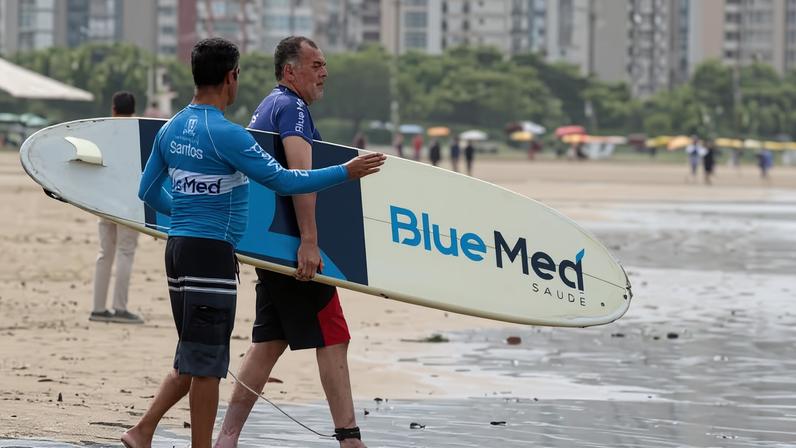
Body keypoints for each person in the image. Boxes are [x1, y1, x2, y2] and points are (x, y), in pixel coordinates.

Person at [121, 37, 384, 448]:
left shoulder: (171, 128)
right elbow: (284, 180)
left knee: (195, 353)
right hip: (210, 254)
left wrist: (188, 214)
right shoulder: (227, 134)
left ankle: (144, 432)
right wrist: (345, 173)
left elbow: (148, 191)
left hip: (178, 250)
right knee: (207, 363)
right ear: (231, 77)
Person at [215, 36, 368, 448]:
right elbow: (299, 178)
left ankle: (226, 439)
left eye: (324, 64)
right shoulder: (292, 109)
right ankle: (350, 440)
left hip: (270, 244)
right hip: (290, 244)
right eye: (315, 64)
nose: (324, 72)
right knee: (333, 335)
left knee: (268, 343)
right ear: (290, 71)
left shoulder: (268, 106)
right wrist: (310, 243)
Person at [89, 91, 144, 324]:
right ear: (133, 110)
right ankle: (120, 307)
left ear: (113, 109)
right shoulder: (139, 131)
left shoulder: (104, 130)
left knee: (105, 254)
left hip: (105, 199)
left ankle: (98, 307)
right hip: (128, 202)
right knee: (125, 253)